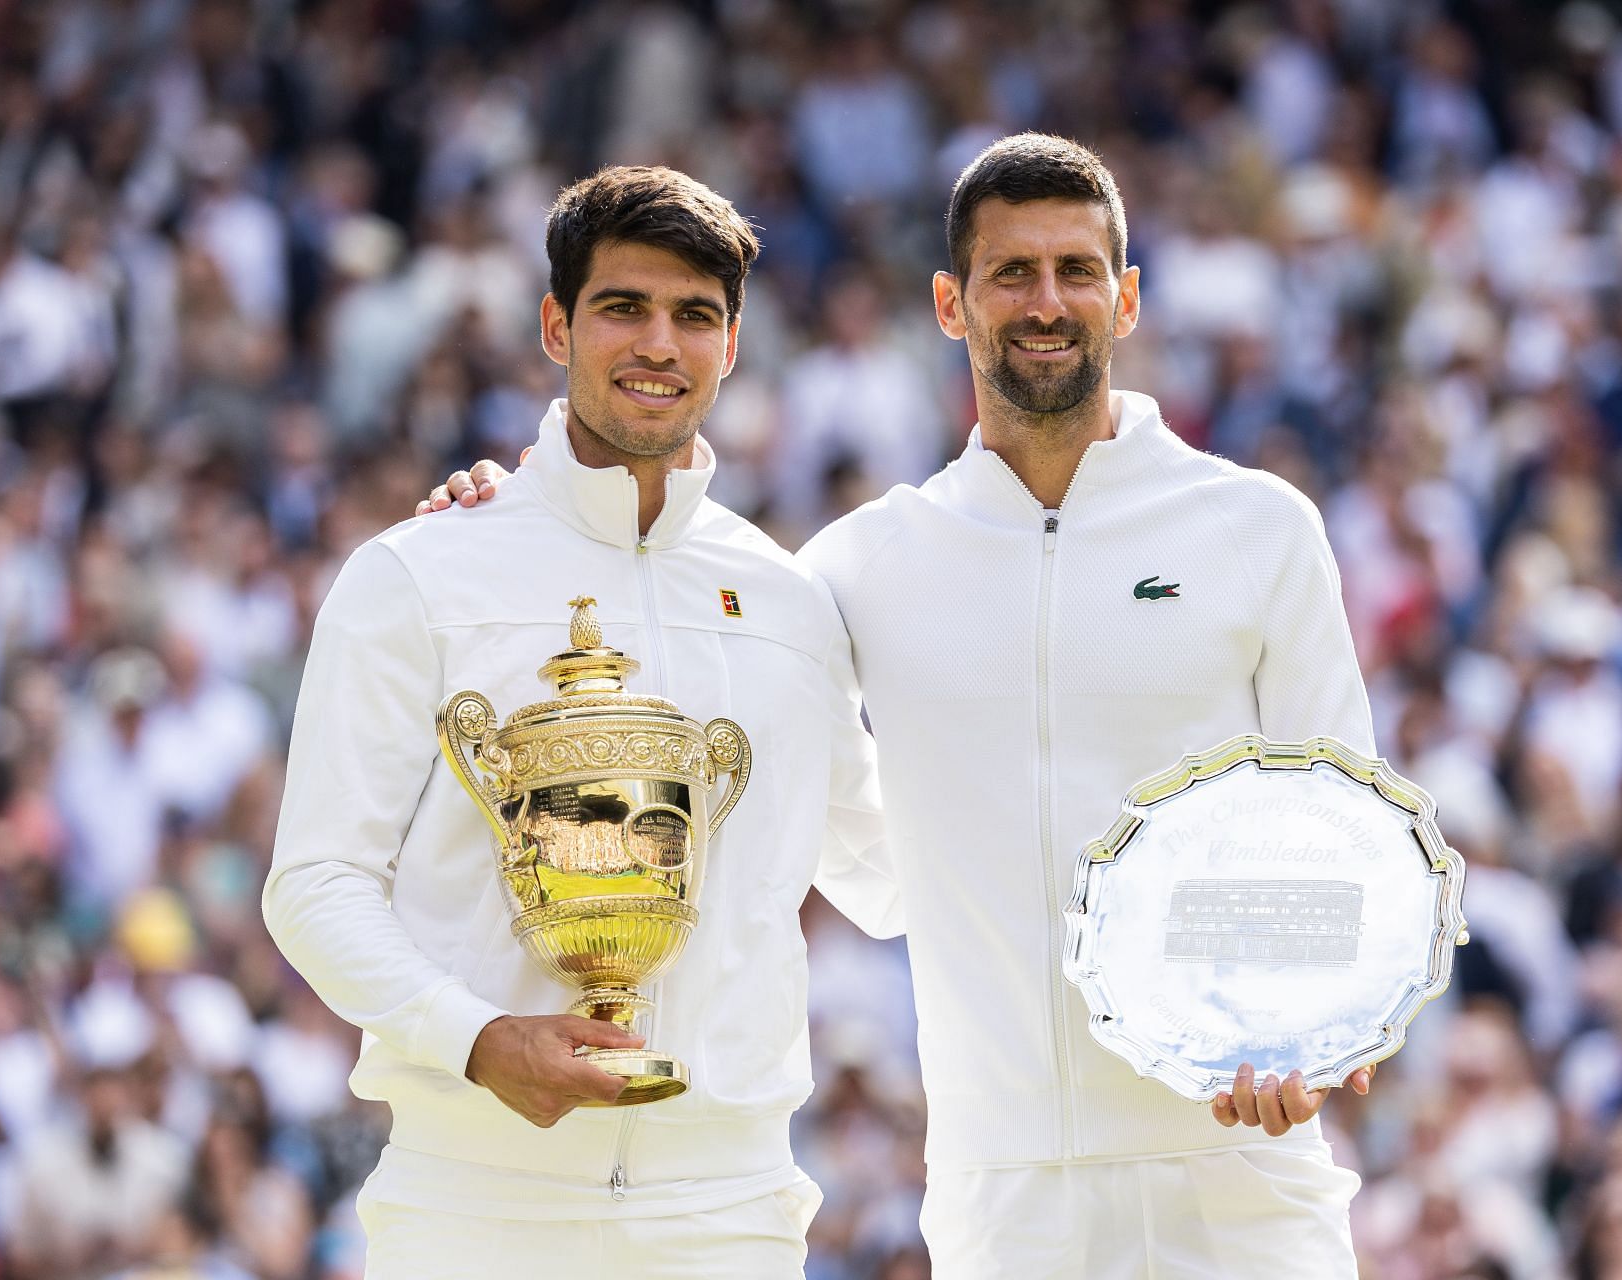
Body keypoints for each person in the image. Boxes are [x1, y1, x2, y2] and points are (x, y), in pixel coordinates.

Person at [431, 135, 1377, 1277]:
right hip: (998, 1201)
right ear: (949, 303)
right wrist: (514, 510)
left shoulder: (1260, 529)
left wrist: (1325, 1034)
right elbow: (854, 846)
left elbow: (1350, 836)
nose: (1046, 302)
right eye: (1011, 273)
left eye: (1077, 271)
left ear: (1125, 299)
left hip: (1244, 1176)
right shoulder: (856, 565)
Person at [264, 166, 899, 1278]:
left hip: (731, 1205)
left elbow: (886, 874)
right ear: (558, 324)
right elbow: (315, 882)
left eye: (695, 315)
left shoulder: (792, 604)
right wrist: (477, 1039)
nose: (660, 342)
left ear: (733, 345)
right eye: (624, 307)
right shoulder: (420, 570)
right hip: (477, 1196)